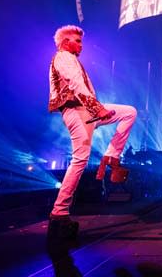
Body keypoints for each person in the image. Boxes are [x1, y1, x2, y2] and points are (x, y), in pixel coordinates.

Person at [48, 25, 137, 226]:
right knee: (80, 159)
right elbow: (76, 84)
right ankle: (59, 211)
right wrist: (97, 109)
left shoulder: (72, 59)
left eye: (81, 41)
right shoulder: (63, 57)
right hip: (78, 112)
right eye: (77, 41)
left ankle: (111, 156)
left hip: (87, 111)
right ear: (64, 43)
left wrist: (95, 109)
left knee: (129, 112)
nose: (81, 45)